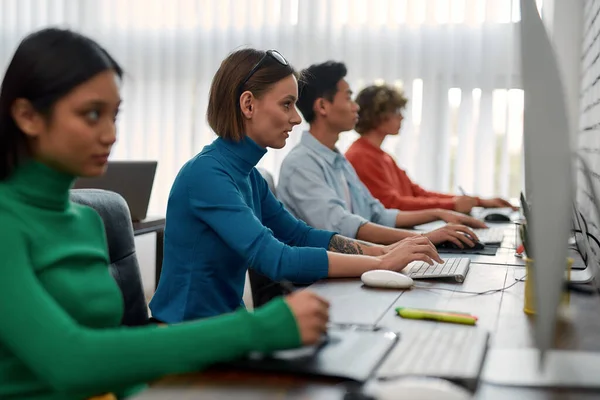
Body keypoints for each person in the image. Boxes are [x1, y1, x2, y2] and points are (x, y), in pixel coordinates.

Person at [0, 29, 331, 400]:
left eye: (114, 115)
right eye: (92, 115)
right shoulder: (6, 224)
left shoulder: (86, 222)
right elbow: (69, 361)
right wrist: (258, 329)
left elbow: (113, 354)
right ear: (27, 116)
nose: (110, 134)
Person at [149, 49, 441, 323]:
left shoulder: (249, 175)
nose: (296, 117)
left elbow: (300, 235)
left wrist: (379, 252)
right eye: (286, 104)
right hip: (186, 334)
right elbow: (276, 258)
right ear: (248, 104)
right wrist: (382, 264)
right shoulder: (207, 174)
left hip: (226, 326)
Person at [277, 61, 486, 247]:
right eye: (349, 98)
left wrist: (439, 214)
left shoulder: (338, 160)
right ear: (322, 106)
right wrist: (424, 237)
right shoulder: (301, 164)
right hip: (319, 282)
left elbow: (377, 213)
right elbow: (343, 227)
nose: (355, 106)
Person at [346, 84, 515, 213]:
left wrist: (478, 201)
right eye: (396, 110)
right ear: (376, 115)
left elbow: (417, 193)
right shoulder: (361, 156)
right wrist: (453, 205)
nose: (401, 116)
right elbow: (392, 205)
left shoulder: (383, 156)